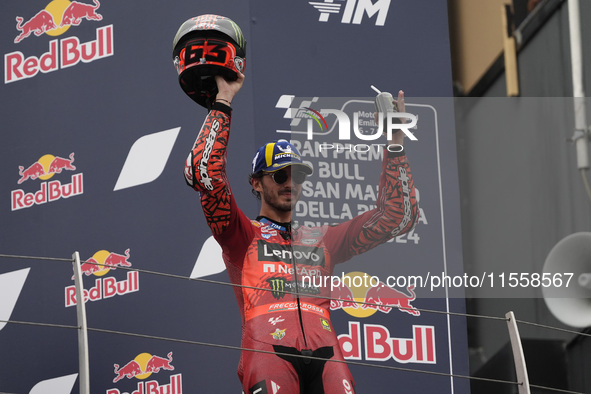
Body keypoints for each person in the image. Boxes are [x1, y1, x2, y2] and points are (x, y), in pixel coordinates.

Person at [184, 71, 420, 393]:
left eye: (296, 176)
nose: (289, 183)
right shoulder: (241, 234)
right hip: (266, 351)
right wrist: (223, 102)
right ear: (256, 183)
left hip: (328, 355)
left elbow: (398, 216)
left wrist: (394, 145)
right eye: (280, 175)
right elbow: (204, 173)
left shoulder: (324, 239)